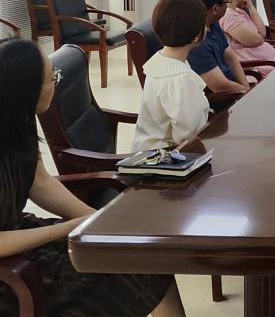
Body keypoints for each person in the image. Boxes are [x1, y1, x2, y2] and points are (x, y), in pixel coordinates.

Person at [0, 38, 186, 316]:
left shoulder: (16, 121)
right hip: (9, 272)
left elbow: (41, 183)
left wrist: (97, 220)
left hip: (19, 238)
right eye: (52, 78)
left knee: (142, 251)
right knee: (111, 276)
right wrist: (70, 227)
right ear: (26, 90)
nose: (56, 83)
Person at [132, 0, 212, 151]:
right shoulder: (181, 79)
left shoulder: (160, 60)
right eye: (204, 24)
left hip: (147, 149)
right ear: (196, 35)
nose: (207, 28)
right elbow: (188, 136)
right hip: (167, 157)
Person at [188, 0, 250, 95]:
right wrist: (247, 93)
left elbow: (230, 57)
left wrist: (247, 88)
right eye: (226, 3)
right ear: (215, 9)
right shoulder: (197, 42)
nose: (228, 6)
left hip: (237, 90)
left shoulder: (213, 24)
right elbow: (220, 86)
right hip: (223, 99)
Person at [219, 0, 275, 77]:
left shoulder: (238, 11)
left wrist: (251, 7)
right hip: (255, 63)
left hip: (267, 58)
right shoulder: (228, 16)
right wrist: (260, 39)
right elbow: (257, 40)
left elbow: (262, 33)